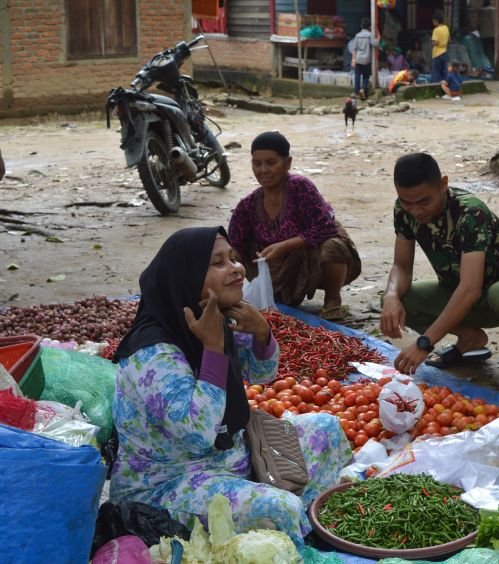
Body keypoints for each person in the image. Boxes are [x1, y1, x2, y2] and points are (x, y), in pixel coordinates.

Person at [110, 226, 352, 548]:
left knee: (326, 428)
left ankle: (292, 522)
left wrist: (261, 332)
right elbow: (197, 432)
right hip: (167, 484)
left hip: (228, 457)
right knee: (280, 508)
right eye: (219, 263)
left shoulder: (212, 315)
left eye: (233, 259)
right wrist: (212, 349)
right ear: (189, 276)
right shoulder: (152, 354)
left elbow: (262, 373)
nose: (237, 269)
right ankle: (286, 525)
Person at [380, 153, 499, 398]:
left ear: (443, 184)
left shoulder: (470, 213)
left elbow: (470, 288)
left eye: (423, 201)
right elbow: (402, 267)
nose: (415, 210)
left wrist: (424, 343)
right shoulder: (403, 210)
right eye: (406, 202)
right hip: (462, 293)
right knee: (399, 300)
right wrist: (391, 295)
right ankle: (470, 339)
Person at [228, 131, 361, 320]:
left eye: (271, 162)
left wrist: (284, 246)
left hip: (310, 258)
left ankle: (333, 300)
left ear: (287, 163)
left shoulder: (301, 188)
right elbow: (235, 245)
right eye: (257, 164)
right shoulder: (247, 205)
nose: (263, 170)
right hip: (278, 269)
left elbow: (325, 228)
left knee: (332, 246)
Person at [352, 17, 380, 100]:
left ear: (361, 26)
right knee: (366, 76)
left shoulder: (357, 35)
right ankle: (363, 89)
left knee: (357, 76)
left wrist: (353, 59)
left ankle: (355, 92)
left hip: (358, 58)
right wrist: (378, 36)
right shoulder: (369, 35)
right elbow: (375, 44)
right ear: (369, 27)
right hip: (366, 59)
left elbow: (354, 48)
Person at [431, 10, 450, 84]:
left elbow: (435, 42)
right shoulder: (446, 28)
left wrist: (432, 42)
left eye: (433, 21)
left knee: (436, 72)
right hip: (445, 52)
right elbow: (449, 40)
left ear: (436, 21)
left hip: (437, 53)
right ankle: (445, 85)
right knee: (445, 71)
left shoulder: (436, 30)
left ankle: (435, 87)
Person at [478, 0, 497, 66]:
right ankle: (495, 66)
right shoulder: (495, 10)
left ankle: (492, 66)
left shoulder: (481, 11)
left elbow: (478, 24)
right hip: (495, 34)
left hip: (484, 35)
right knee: (494, 51)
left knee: (488, 52)